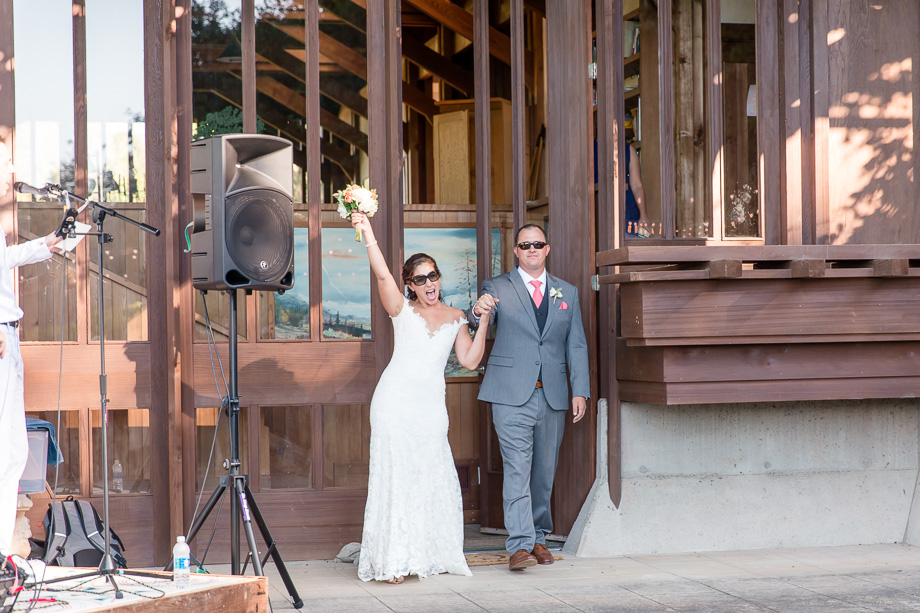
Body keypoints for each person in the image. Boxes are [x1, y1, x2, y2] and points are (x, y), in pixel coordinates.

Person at [351, 211, 490, 584]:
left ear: (439, 279)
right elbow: (383, 274)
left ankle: (424, 555)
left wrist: (483, 323)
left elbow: (469, 360)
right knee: (396, 479)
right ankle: (394, 560)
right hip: (394, 404)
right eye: (420, 279)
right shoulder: (401, 309)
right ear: (410, 285)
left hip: (430, 409)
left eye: (433, 276)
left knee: (428, 476)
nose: (429, 283)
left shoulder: (456, 316)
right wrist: (367, 231)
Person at [468, 224, 589, 571]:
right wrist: (477, 311)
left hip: (552, 395)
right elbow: (478, 320)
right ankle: (520, 545)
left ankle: (538, 537)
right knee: (517, 469)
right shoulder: (497, 287)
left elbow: (576, 345)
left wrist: (580, 390)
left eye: (537, 244)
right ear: (516, 251)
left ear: (547, 249)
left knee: (543, 473)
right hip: (510, 394)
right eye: (525, 245)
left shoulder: (567, 292)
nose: (532, 249)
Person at [0, 141, 63, 560]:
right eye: (5, 161)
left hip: (8, 335)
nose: (11, 170)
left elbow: (3, 260)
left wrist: (47, 245)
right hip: (1, 336)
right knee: (7, 452)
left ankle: (3, 556)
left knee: (13, 451)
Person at [625, 142, 651, 237]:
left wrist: (643, 215)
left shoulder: (628, 150)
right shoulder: (590, 147)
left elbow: (637, 186)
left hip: (627, 210)